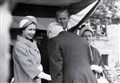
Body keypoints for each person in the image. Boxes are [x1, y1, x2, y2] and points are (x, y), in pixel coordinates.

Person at [12, 16, 51, 83]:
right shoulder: (19, 46)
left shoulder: (33, 43)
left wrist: (40, 69)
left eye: (34, 30)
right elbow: (28, 66)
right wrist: (47, 76)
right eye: (30, 29)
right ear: (22, 30)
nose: (32, 32)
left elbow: (37, 63)